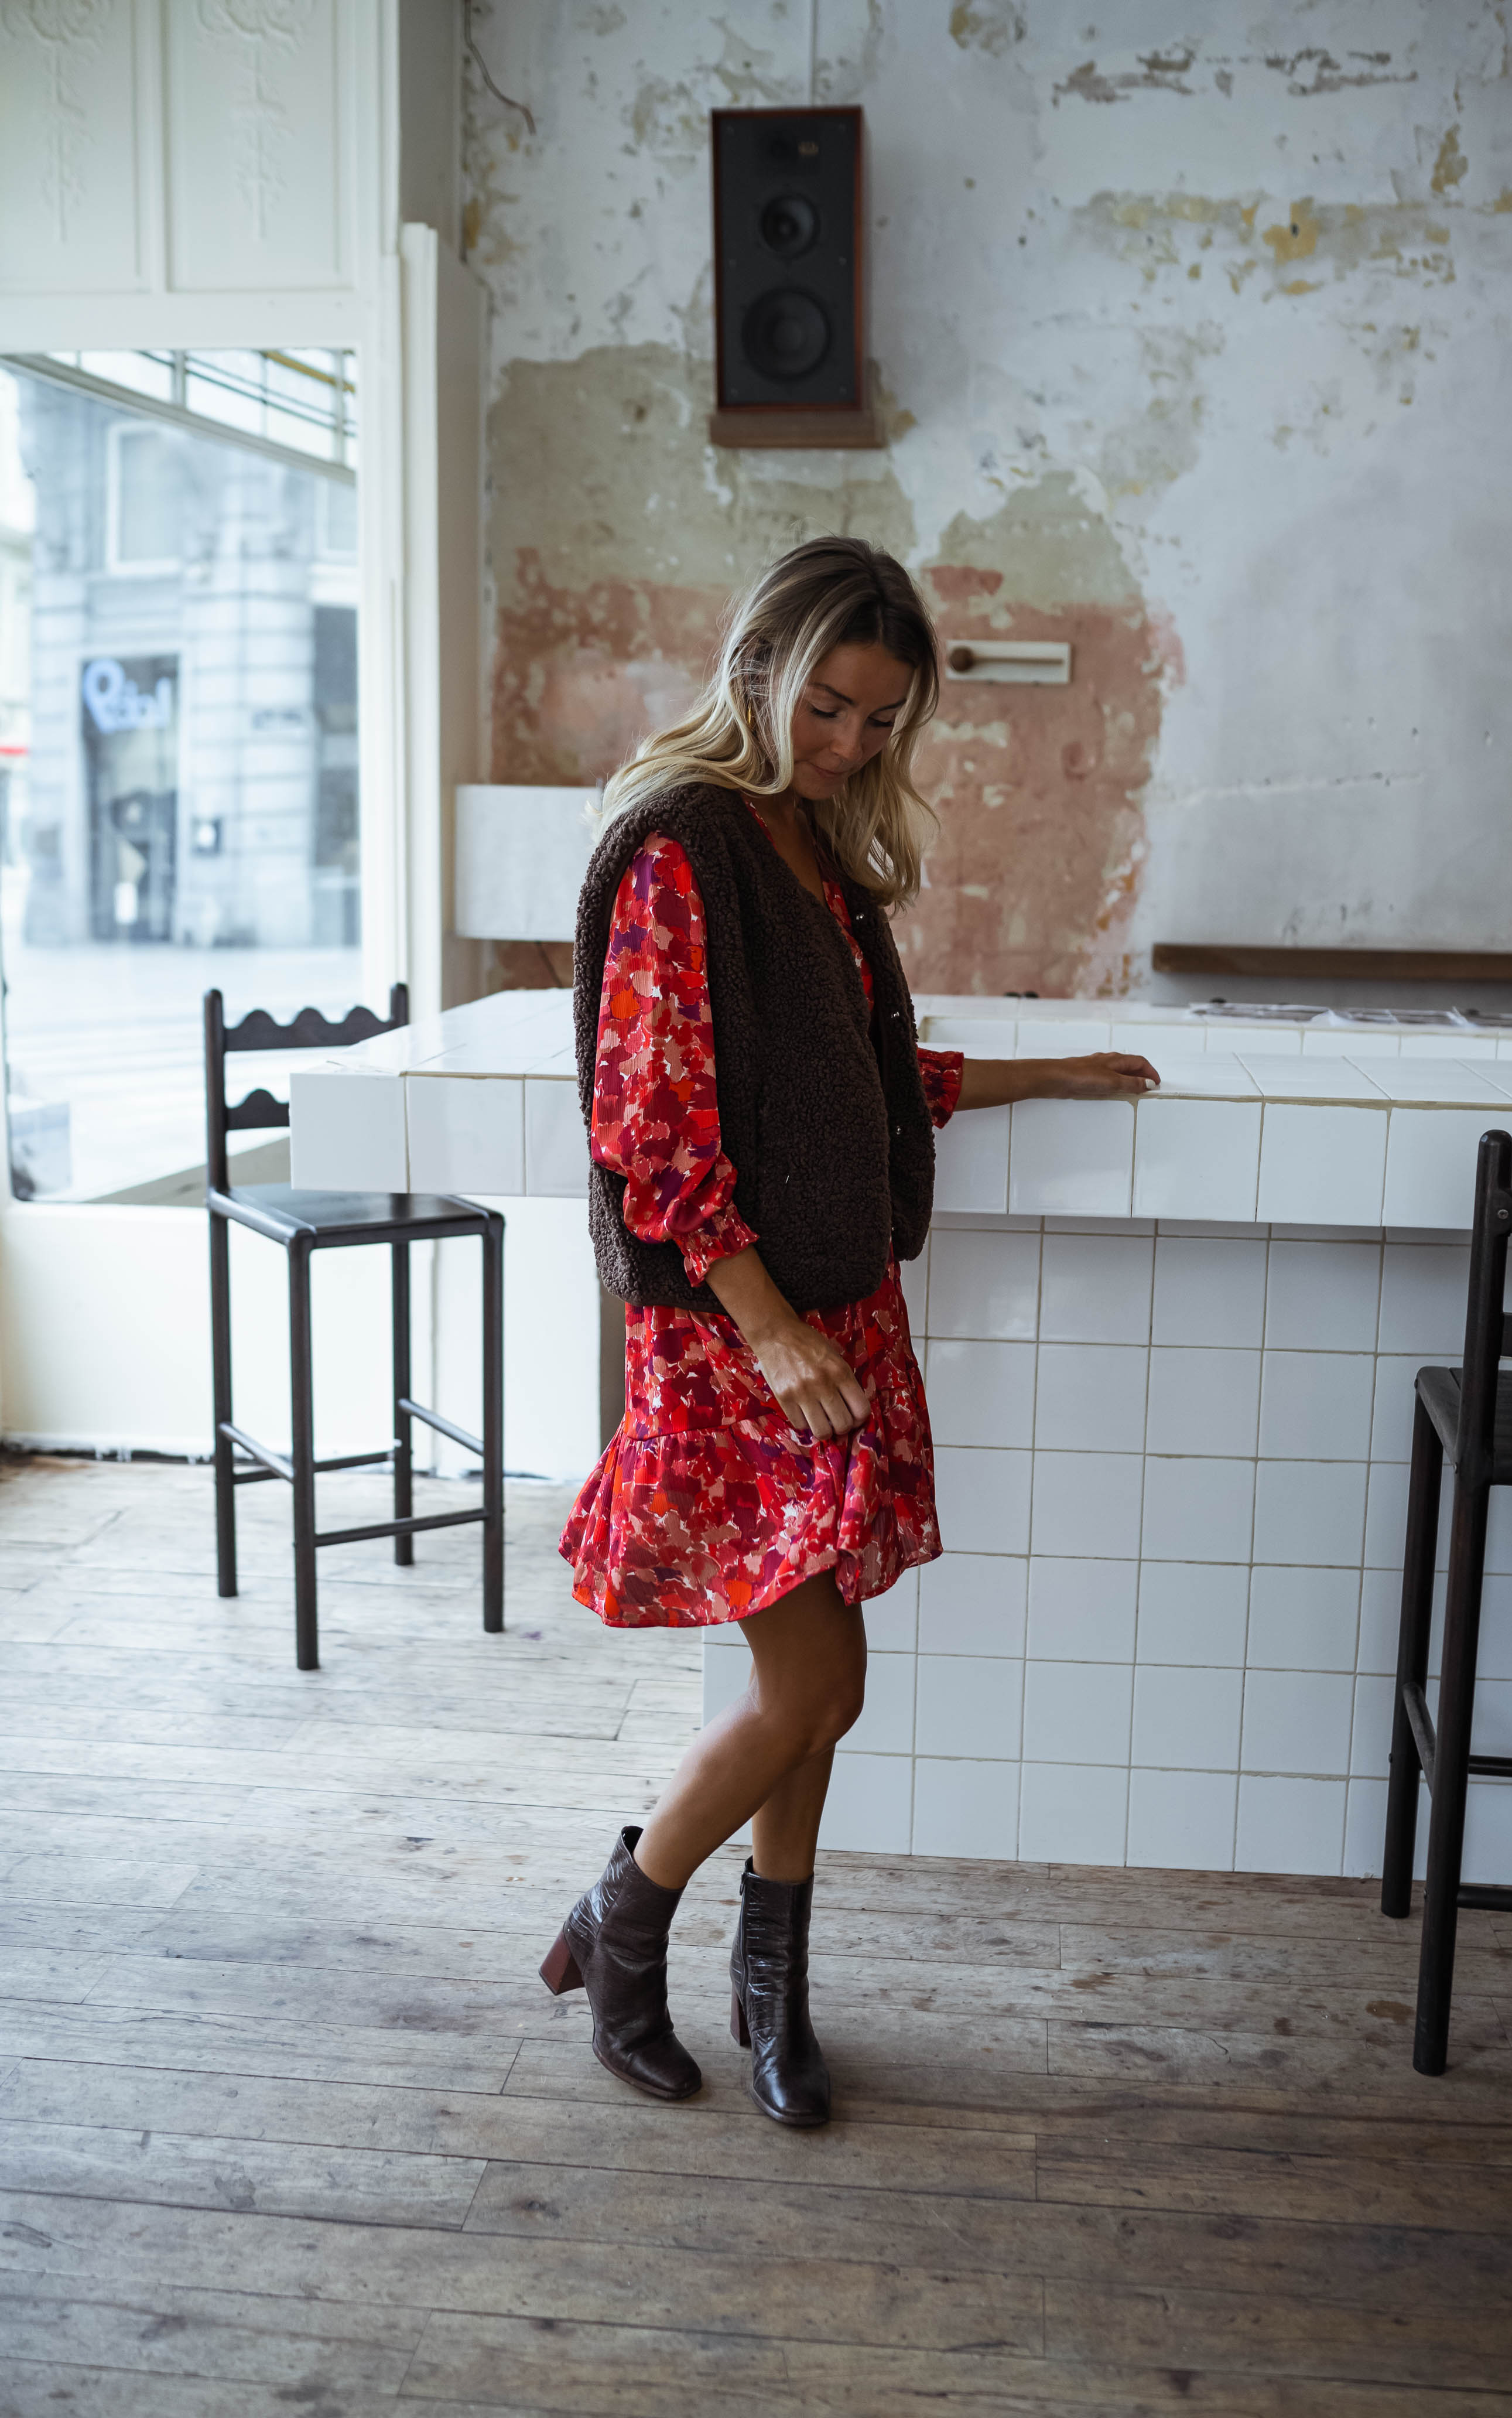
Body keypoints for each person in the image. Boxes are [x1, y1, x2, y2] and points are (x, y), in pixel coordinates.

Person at [543, 535, 1158, 2126]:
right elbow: (655, 1127)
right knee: (813, 1683)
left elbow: (853, 1079)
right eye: (827, 707)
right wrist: (769, 1328)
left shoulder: (814, 847)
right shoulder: (680, 842)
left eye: (881, 722)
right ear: (758, 667)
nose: (849, 745)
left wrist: (1053, 1077)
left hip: (832, 1316)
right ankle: (627, 1917)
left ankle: (773, 1996)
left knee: (826, 1681)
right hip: (746, 1338)